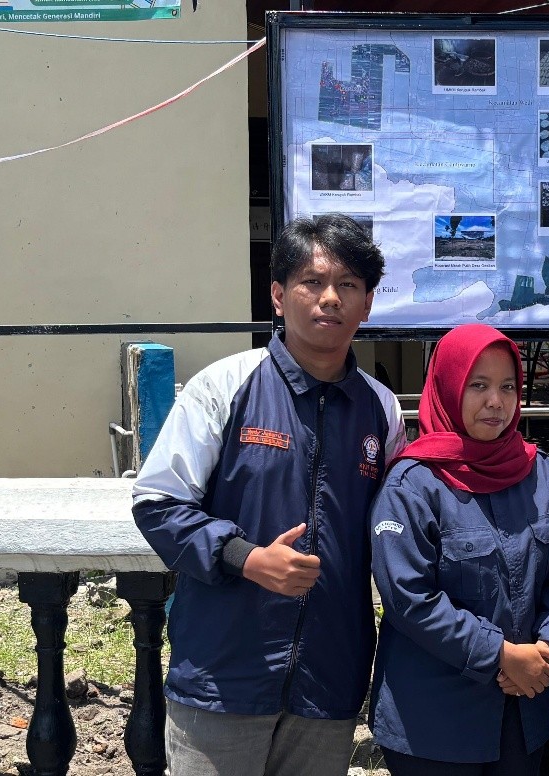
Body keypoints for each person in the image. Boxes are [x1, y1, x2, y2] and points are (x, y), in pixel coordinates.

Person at [132, 213, 406, 776]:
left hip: (328, 682)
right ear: (278, 296)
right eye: (312, 282)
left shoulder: (382, 410)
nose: (330, 298)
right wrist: (246, 558)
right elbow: (157, 503)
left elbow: (396, 530)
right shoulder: (225, 385)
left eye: (348, 284)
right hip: (222, 675)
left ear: (368, 304)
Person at [368, 323, 549, 776]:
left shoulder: (539, 473)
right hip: (436, 723)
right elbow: (409, 599)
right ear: (447, 388)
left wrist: (548, 648)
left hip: (525, 711)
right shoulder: (412, 486)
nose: (496, 401)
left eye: (507, 386)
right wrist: (501, 654)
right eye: (477, 385)